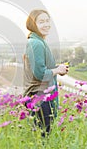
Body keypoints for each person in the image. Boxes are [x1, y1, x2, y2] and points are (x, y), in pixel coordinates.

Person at [23, 9, 68, 137]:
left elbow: (41, 69)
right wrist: (57, 70)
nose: (46, 24)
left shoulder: (38, 41)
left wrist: (58, 69)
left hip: (40, 98)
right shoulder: (36, 43)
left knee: (40, 137)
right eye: (41, 21)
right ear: (33, 24)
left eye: (48, 21)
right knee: (43, 139)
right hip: (40, 99)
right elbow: (40, 74)